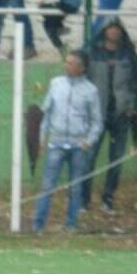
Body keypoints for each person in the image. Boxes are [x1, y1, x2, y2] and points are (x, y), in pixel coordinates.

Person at [33, 50, 102, 232]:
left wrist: (89, 141)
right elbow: (46, 113)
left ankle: (71, 224)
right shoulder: (56, 84)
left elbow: (97, 122)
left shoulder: (91, 90)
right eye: (67, 62)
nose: (67, 66)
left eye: (71, 63)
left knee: (76, 187)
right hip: (56, 142)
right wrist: (42, 137)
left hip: (79, 145)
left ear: (81, 68)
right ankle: (38, 224)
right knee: (47, 185)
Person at [84, 20, 137, 213]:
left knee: (116, 160)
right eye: (110, 27)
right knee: (88, 158)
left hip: (121, 115)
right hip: (96, 114)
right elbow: (83, 81)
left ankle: (108, 198)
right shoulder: (93, 52)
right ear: (104, 30)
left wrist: (133, 106)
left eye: (117, 28)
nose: (114, 31)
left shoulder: (129, 54)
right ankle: (84, 200)